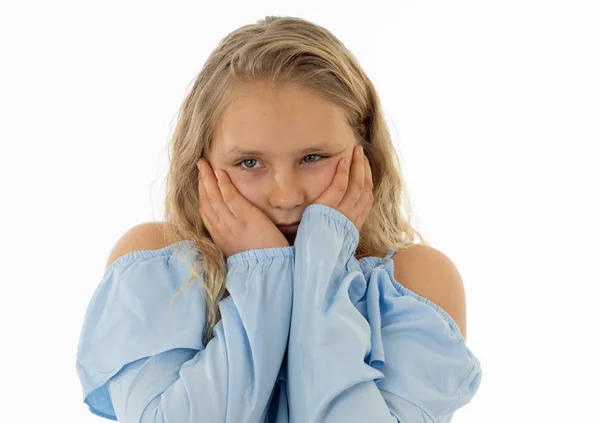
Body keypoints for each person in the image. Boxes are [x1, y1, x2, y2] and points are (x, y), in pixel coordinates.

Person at [75, 15, 482, 422]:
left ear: (363, 145)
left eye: (313, 158)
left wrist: (321, 266)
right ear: (202, 159)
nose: (286, 197)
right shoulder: (159, 264)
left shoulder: (415, 283)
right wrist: (261, 274)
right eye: (249, 162)